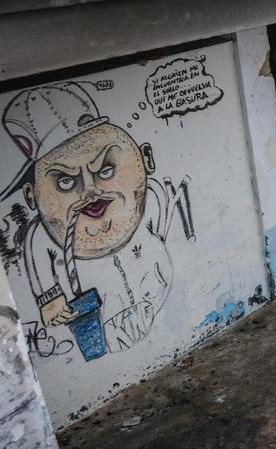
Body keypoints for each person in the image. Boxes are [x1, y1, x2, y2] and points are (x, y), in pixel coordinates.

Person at [1, 83, 193, 362]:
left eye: (105, 169)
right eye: (66, 181)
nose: (90, 190)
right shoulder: (41, 236)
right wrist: (51, 300)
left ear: (145, 159)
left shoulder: (148, 196)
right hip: (103, 322)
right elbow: (38, 258)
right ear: (32, 196)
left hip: (153, 297)